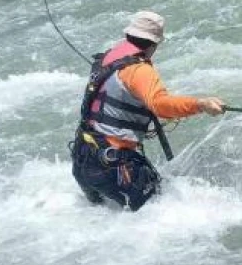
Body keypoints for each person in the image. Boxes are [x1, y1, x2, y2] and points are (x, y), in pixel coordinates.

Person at [70, 11, 225, 211]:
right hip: (113, 165)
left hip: (83, 158)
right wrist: (200, 104)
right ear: (154, 44)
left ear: (129, 35)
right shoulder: (139, 70)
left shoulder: (108, 58)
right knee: (163, 213)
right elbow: (160, 105)